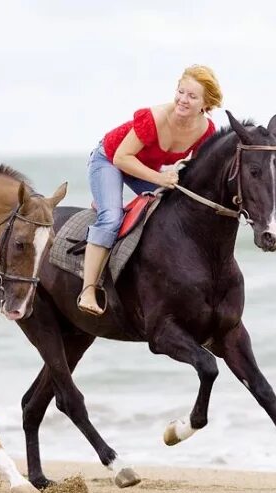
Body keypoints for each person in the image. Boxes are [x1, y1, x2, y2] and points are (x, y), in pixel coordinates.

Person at [77, 65, 223, 316]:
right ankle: (88, 291)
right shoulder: (153, 118)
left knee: (176, 204)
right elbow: (123, 157)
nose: (182, 100)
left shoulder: (205, 131)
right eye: (181, 92)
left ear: (205, 104)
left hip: (142, 168)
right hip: (110, 159)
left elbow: (195, 167)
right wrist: (159, 178)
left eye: (192, 96)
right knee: (111, 218)